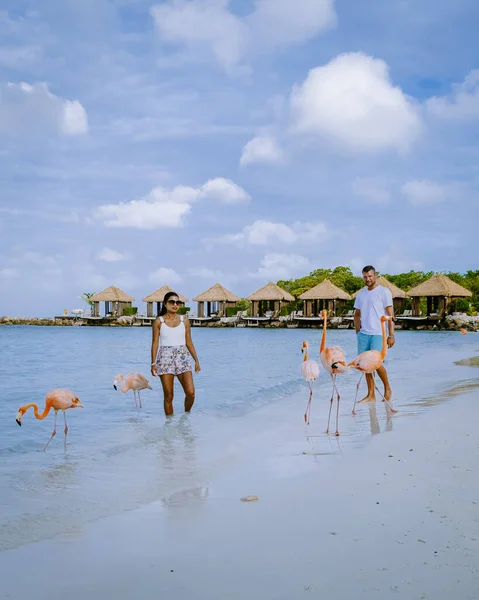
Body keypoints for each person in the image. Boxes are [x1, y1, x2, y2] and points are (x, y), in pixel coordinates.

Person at [150, 291, 201, 416]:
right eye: (172, 302)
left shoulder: (184, 320)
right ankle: (169, 426)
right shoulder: (159, 321)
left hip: (182, 357)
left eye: (177, 302)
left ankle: (185, 417)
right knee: (169, 395)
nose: (175, 304)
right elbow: (155, 343)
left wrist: (196, 360)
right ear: (165, 304)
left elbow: (189, 341)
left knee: (190, 393)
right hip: (165, 358)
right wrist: (153, 363)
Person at [353, 265, 395, 403]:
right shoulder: (361, 294)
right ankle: (371, 394)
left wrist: (391, 335)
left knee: (376, 364)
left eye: (370, 276)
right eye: (365, 277)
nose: (368, 279)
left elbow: (390, 315)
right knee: (365, 366)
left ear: (375, 275)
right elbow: (357, 314)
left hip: (378, 334)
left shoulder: (384, 292)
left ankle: (387, 388)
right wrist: (358, 332)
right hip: (363, 335)